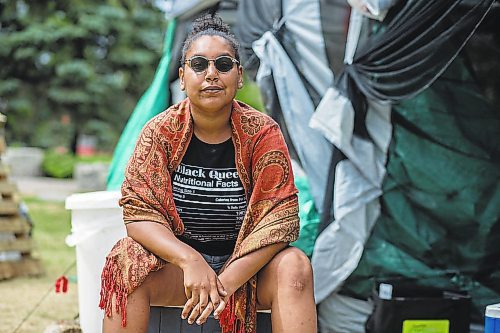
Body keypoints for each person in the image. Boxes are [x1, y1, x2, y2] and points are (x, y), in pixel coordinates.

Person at [99, 13, 317, 333]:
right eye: (199, 65)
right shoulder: (159, 132)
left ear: (239, 76)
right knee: (125, 258)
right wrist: (190, 260)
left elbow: (278, 221)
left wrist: (225, 281)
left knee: (295, 265)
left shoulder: (263, 133)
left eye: (224, 64)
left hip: (247, 271)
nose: (211, 74)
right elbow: (138, 214)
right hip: (180, 270)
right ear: (183, 76)